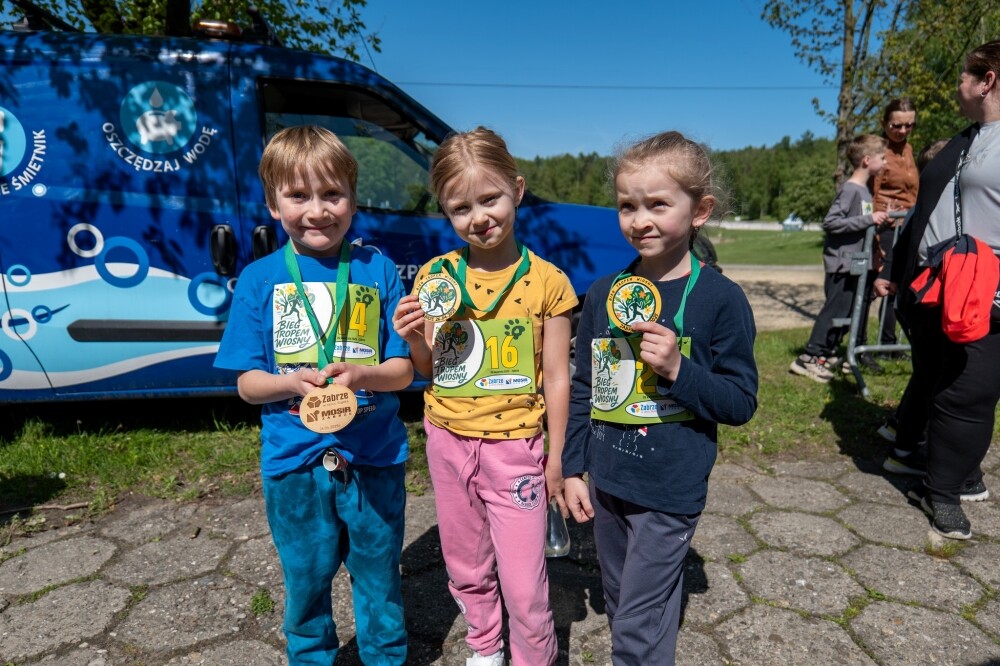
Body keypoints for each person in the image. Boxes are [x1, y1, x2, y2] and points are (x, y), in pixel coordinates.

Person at [214, 125, 413, 664]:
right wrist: (289, 382)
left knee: (379, 577)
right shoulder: (259, 278)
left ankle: (386, 657)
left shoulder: (377, 269)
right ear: (272, 204)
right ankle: (310, 656)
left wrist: (364, 376)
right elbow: (247, 385)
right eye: (298, 195)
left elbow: (402, 371)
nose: (317, 211)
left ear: (353, 198)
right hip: (294, 463)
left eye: (332, 194)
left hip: (374, 457)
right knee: (305, 581)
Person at [561, 131, 758, 665]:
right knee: (625, 601)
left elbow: (740, 402)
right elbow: (585, 388)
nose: (640, 220)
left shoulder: (721, 299)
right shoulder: (603, 294)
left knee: (635, 623)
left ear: (700, 211)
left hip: (670, 488)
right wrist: (573, 467)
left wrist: (677, 370)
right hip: (608, 483)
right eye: (628, 205)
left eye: (658, 204)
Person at [392, 127, 575, 666]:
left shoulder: (549, 283)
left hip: (516, 451)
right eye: (460, 207)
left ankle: (534, 656)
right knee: (466, 565)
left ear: (517, 190)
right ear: (445, 212)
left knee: (524, 584)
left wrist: (557, 457)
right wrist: (414, 339)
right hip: (448, 443)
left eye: (490, 198)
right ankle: (484, 645)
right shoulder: (436, 277)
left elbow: (557, 377)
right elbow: (429, 368)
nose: (479, 217)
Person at [878, 40, 1000, 540]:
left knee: (970, 390)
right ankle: (948, 477)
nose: (957, 88)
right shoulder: (969, 138)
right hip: (937, 290)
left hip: (985, 294)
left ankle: (945, 487)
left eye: (963, 78)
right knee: (943, 380)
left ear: (987, 80)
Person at [789, 135, 890, 382]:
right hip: (842, 264)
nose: (886, 162)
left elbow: (859, 226)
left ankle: (826, 355)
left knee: (847, 312)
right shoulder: (850, 189)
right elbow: (831, 222)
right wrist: (869, 219)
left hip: (855, 264)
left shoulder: (864, 191)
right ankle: (808, 358)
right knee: (835, 310)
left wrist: (880, 222)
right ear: (867, 160)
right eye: (883, 158)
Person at [876, 138, 949, 475]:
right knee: (930, 377)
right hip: (922, 304)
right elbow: (904, 248)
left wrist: (888, 275)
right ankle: (905, 449)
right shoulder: (935, 210)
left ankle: (900, 429)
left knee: (924, 373)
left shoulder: (926, 207)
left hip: (915, 303)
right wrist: (889, 275)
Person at [870, 99, 920, 360]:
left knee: (902, 286)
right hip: (888, 227)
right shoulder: (879, 153)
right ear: (884, 123)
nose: (903, 131)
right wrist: (875, 233)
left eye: (909, 125)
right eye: (897, 125)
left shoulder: (909, 150)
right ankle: (883, 344)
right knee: (887, 285)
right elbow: (871, 193)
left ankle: (891, 343)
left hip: (908, 225)